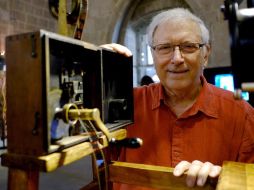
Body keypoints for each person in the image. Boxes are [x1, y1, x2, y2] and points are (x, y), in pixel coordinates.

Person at [101, 8, 254, 189]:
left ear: (206, 54)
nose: (177, 58)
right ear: (153, 54)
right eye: (165, 48)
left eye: (188, 46)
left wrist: (226, 181)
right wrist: (94, 75)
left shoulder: (241, 114)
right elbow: (85, 157)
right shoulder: (126, 105)